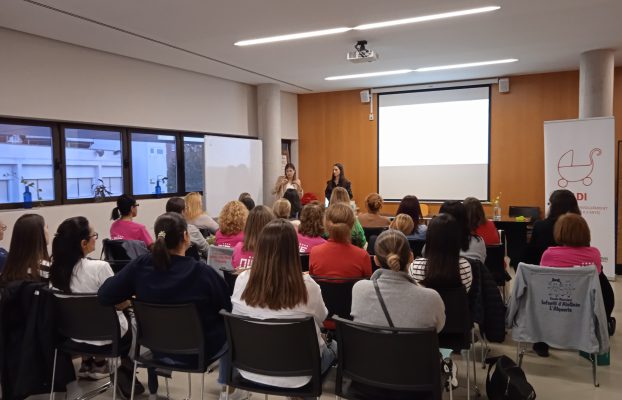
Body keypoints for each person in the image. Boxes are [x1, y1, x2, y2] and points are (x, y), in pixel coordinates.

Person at [98, 213, 248, 400]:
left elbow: (104, 295)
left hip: (155, 348)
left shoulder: (140, 266)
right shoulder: (202, 272)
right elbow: (227, 307)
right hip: (200, 351)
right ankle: (230, 389)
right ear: (186, 237)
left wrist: (130, 299)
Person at [231, 219, 336, 388]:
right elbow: (322, 318)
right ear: (293, 249)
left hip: (249, 367)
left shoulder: (242, 280)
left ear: (260, 247)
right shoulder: (308, 286)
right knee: (334, 347)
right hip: (300, 373)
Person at [49, 216, 142, 395]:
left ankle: (99, 365)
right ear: (84, 243)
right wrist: (131, 299)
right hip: (110, 337)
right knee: (136, 321)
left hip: (72, 338)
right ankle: (125, 372)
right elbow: (119, 303)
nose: (95, 239)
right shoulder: (99, 268)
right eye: (94, 236)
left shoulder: (55, 272)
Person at [539, 213, 616, 354]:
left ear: (559, 232)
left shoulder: (549, 254)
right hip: (585, 312)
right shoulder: (594, 254)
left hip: (554, 307)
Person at [409, 214, 473, 292]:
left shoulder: (416, 266)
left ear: (429, 238)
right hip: (454, 304)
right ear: (456, 239)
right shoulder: (465, 266)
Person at [309, 203, 372, 279]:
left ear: (326, 224)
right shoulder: (363, 255)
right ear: (352, 224)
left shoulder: (315, 252)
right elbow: (367, 282)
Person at [525, 189, 580, 265]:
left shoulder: (540, 226)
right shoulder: (579, 226)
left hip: (544, 273)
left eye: (549, 204)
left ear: (553, 207)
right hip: (575, 274)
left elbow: (531, 256)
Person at [0, 214, 50, 282]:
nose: (48, 230)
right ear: (38, 234)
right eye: (46, 227)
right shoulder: (46, 268)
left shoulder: (10, 267)